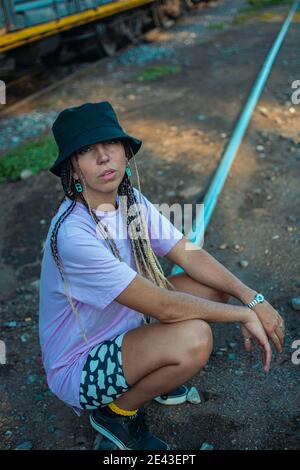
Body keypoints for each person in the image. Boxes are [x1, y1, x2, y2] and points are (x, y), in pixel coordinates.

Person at [39, 101, 285, 451]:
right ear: (73, 171)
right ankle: (117, 413)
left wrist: (251, 295)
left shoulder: (130, 200)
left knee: (212, 290)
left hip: (126, 324)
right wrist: (244, 314)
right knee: (194, 338)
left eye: (109, 143)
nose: (103, 157)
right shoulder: (73, 235)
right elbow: (165, 308)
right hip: (81, 364)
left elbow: (187, 252)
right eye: (86, 151)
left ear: (125, 151)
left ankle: (153, 371)